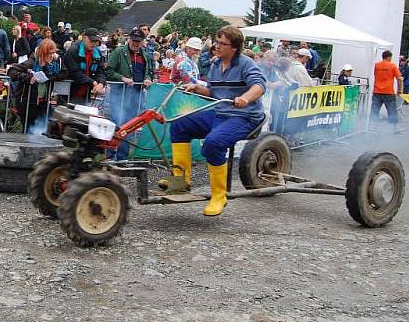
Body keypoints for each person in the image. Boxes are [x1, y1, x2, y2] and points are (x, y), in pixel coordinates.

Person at [163, 26, 266, 216]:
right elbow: (212, 92)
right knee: (179, 125)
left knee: (214, 142)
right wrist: (195, 87)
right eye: (216, 42)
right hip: (220, 114)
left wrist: (245, 98)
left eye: (222, 44)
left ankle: (219, 196)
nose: (217, 47)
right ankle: (181, 180)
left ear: (234, 47)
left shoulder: (245, 64)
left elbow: (259, 86)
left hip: (244, 117)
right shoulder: (216, 65)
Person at [105, 29, 154, 160]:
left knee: (129, 127)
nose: (135, 43)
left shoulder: (146, 55)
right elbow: (108, 71)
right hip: (119, 96)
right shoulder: (119, 52)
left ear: (142, 42)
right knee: (116, 125)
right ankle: (109, 156)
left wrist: (148, 78)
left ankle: (122, 158)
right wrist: (123, 78)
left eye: (138, 41)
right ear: (129, 39)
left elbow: (150, 72)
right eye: (133, 40)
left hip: (136, 97)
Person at [8, 38, 67, 131]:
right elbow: (12, 70)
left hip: (43, 102)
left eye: (53, 53)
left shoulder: (55, 63)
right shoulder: (32, 62)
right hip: (27, 102)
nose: (51, 56)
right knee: (29, 130)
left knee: (42, 130)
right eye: (49, 53)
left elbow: (64, 73)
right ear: (43, 53)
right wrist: (29, 78)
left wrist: (48, 78)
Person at [63, 28, 106, 104]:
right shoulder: (73, 50)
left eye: (96, 41)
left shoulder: (98, 53)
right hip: (69, 92)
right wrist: (92, 82)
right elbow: (74, 72)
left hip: (85, 93)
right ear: (85, 38)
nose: (94, 44)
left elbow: (100, 71)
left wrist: (101, 83)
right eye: (92, 41)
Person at [371, 50, 403, 133]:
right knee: (392, 110)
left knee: (375, 109)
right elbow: (399, 79)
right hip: (388, 92)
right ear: (389, 57)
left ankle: (372, 127)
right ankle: (395, 128)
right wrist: (399, 90)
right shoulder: (392, 66)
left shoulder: (377, 65)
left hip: (377, 91)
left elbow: (375, 75)